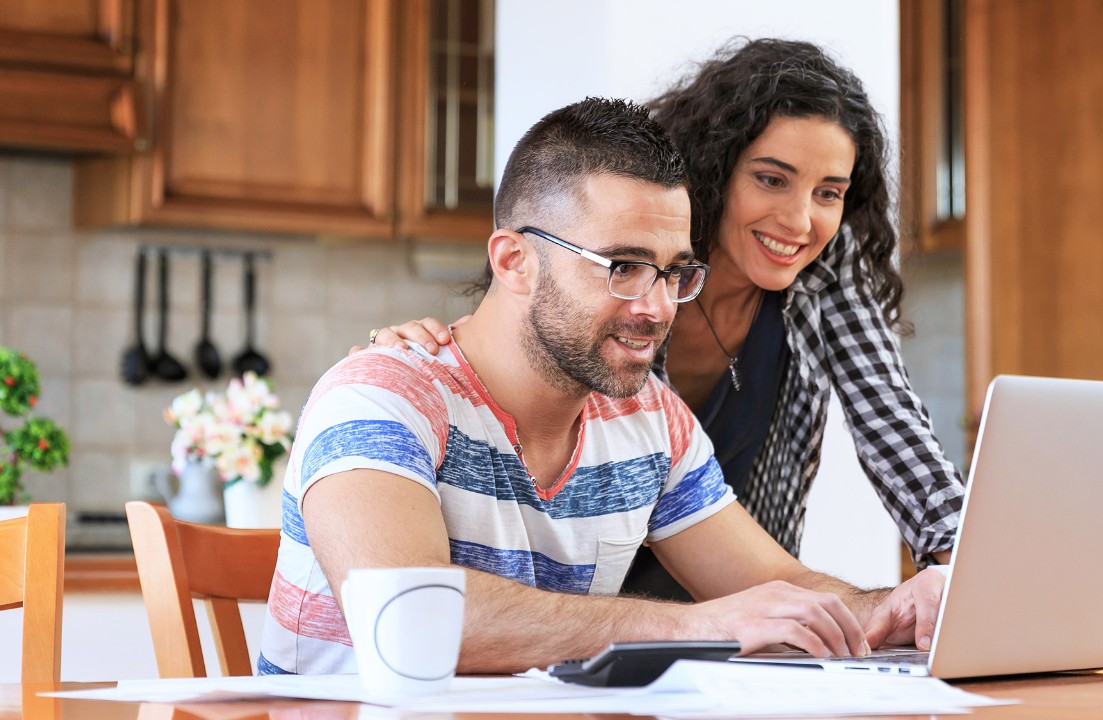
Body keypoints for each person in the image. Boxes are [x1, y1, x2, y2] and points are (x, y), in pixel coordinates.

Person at [263, 97, 943, 677]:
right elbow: (404, 612)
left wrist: (892, 608)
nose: (656, 307)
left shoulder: (647, 419)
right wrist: (696, 626)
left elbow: (780, 587)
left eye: (675, 272)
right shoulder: (382, 395)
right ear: (514, 259)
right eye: (622, 265)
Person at [366, 38, 966, 600]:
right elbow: (528, 334)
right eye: (771, 179)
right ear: (717, 169)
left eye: (829, 192)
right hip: (595, 617)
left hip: (737, 604)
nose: (800, 220)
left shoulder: (824, 278)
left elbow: (896, 432)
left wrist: (961, 574)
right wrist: (412, 368)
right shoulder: (631, 286)